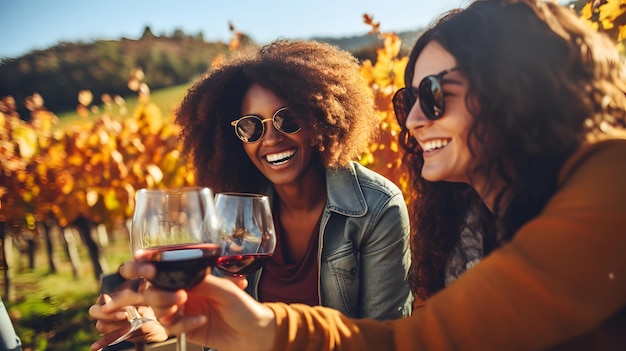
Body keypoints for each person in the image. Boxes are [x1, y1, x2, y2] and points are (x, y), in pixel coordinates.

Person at [122, 0, 626, 350]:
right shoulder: (465, 221)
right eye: (408, 100)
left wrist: (270, 332)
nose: (411, 120)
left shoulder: (612, 181)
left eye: (434, 94)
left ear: (517, 88)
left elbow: (414, 340)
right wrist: (170, 330)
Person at [89, 39, 413, 350]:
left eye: (286, 118)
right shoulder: (234, 209)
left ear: (318, 116)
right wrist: (163, 324)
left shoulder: (376, 207)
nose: (270, 139)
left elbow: (386, 338)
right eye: (251, 127)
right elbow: (217, 318)